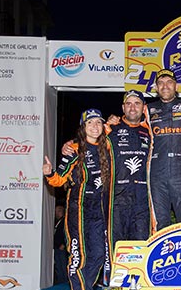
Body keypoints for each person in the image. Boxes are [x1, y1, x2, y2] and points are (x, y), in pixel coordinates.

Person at [43, 108, 113, 290]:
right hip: (79, 210)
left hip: (100, 210)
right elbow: (59, 180)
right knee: (79, 255)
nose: (95, 127)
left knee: (100, 254)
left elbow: (115, 124)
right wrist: (50, 173)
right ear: (83, 128)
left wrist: (112, 121)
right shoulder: (74, 149)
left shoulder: (108, 145)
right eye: (90, 123)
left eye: (98, 123)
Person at [62, 90, 151, 246]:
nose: (132, 108)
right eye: (128, 104)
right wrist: (70, 145)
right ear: (123, 107)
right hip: (115, 201)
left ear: (144, 107)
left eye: (137, 103)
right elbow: (89, 138)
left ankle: (137, 272)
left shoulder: (151, 131)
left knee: (140, 246)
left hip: (142, 201)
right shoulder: (110, 129)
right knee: (115, 247)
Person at [143, 68, 181, 232]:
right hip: (156, 175)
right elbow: (128, 126)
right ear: (156, 88)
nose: (165, 86)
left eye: (169, 82)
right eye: (161, 83)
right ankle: (161, 256)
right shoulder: (147, 110)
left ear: (176, 86)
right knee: (159, 224)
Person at [53, 204, 68, 284]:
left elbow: (66, 233)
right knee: (59, 266)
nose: (58, 213)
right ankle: (60, 281)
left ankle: (65, 282)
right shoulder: (57, 222)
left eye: (60, 211)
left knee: (63, 265)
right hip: (56, 246)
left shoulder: (65, 221)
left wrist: (64, 244)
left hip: (62, 247)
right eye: (57, 211)